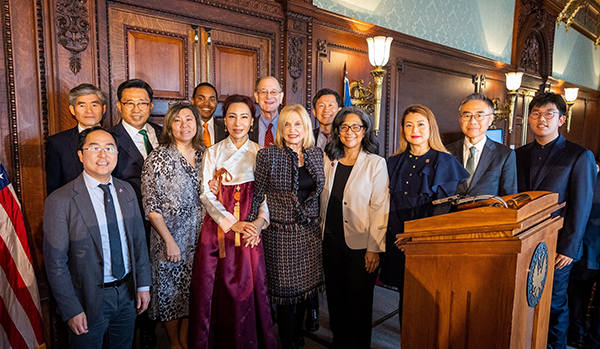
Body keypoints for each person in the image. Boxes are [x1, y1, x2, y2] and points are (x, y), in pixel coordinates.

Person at [43, 126, 151, 348]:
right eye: (95, 148)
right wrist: (71, 308)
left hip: (128, 293)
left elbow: (139, 242)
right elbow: (56, 262)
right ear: (81, 155)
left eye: (109, 148)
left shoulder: (127, 191)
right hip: (88, 299)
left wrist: (143, 286)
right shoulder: (61, 200)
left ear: (117, 154)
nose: (103, 154)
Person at [188, 94, 277, 349]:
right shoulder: (213, 152)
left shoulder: (261, 153)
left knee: (250, 290)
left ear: (252, 122)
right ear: (224, 121)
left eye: (244, 117)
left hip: (250, 230)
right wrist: (231, 223)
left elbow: (266, 197)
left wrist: (259, 224)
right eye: (232, 116)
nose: (238, 122)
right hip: (218, 231)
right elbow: (205, 194)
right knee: (214, 291)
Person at [515, 92, 596, 349]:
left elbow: (580, 206)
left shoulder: (579, 155)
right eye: (536, 113)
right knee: (523, 303)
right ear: (529, 119)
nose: (542, 119)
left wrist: (569, 250)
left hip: (557, 247)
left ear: (561, 120)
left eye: (549, 114)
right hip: (523, 243)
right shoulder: (518, 154)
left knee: (553, 306)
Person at [378, 104, 469, 328]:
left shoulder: (445, 162)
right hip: (397, 237)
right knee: (404, 295)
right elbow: (386, 202)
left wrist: (414, 238)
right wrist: (400, 235)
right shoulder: (393, 161)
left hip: (428, 241)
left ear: (431, 128)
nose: (414, 129)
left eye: (420, 124)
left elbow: (442, 209)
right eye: (408, 124)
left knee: (426, 297)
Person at [247, 104, 325, 348]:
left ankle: (297, 332)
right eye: (287, 124)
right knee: (285, 296)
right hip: (281, 235)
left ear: (306, 128)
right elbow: (257, 193)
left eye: (298, 124)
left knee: (306, 290)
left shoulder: (315, 155)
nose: (293, 130)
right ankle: (287, 340)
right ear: (281, 128)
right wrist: (251, 225)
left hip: (310, 234)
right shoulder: (268, 155)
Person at [321, 106, 390, 348]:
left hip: (361, 246)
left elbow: (380, 208)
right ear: (337, 131)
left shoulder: (375, 163)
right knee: (336, 301)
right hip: (329, 242)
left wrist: (374, 248)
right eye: (344, 127)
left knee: (358, 305)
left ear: (364, 131)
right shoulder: (328, 160)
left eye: (356, 127)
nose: (350, 131)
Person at [141, 102, 206, 349]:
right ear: (169, 126)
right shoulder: (157, 157)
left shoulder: (206, 154)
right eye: (177, 120)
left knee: (193, 291)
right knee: (170, 293)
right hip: (169, 238)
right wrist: (169, 241)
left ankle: (185, 341)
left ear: (197, 125)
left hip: (200, 237)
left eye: (189, 119)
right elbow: (150, 205)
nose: (184, 125)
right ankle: (173, 343)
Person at [111, 78, 162, 348]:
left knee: (158, 271)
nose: (136, 108)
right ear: (119, 106)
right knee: (136, 273)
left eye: (142, 103)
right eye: (129, 103)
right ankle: (139, 327)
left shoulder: (161, 132)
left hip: (165, 220)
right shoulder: (110, 138)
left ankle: (153, 324)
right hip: (131, 220)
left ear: (151, 105)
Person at [445, 93, 517, 197]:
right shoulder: (446, 152)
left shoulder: (505, 155)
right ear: (460, 119)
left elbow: (509, 197)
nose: (472, 121)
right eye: (467, 116)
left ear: (491, 119)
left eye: (479, 116)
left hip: (487, 212)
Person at [46, 83, 106, 194]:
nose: (89, 111)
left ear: (103, 108)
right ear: (72, 110)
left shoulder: (117, 139)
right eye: (82, 105)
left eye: (94, 105)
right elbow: (54, 188)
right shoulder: (58, 143)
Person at [567, 158, 600, 348]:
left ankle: (585, 338)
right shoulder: (591, 174)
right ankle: (579, 336)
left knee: (580, 297)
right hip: (586, 246)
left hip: (587, 245)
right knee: (578, 296)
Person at [250, 76, 284, 147]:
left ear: (281, 97)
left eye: (274, 92)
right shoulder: (248, 128)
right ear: (256, 96)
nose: (268, 97)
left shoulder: (290, 128)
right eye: (263, 92)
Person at [192, 82, 227, 147]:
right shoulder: (186, 128)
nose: (206, 103)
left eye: (211, 99)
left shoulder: (225, 129)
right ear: (193, 100)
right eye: (201, 98)